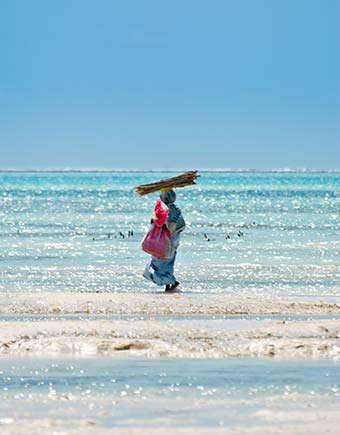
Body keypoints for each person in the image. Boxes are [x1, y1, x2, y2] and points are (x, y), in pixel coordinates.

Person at [143, 189, 186, 292]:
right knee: (169, 261)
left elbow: (157, 222)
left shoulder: (162, 209)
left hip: (164, 240)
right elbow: (181, 225)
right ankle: (169, 284)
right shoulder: (176, 209)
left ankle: (170, 283)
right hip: (175, 238)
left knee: (159, 261)